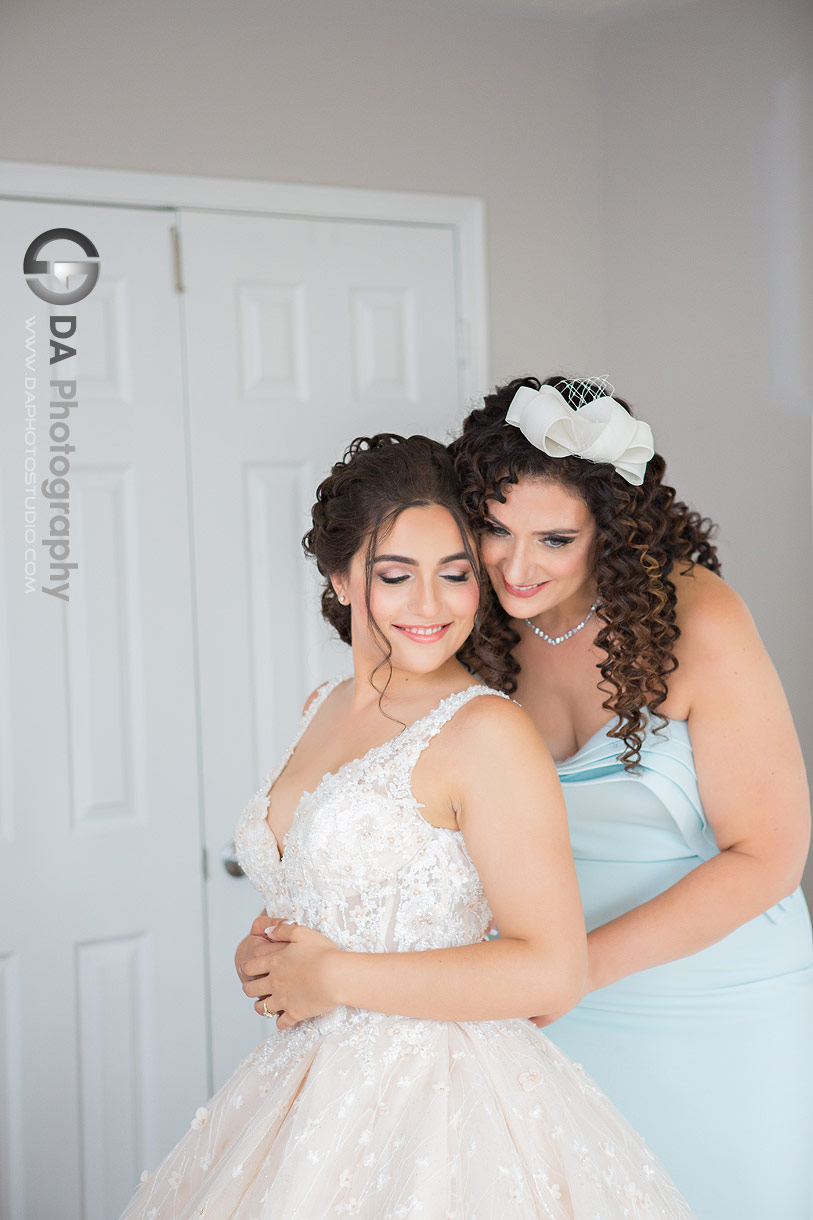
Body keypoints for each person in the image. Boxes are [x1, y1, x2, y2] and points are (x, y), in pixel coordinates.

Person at [123, 432, 696, 1219]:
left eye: (456, 575)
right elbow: (323, 897)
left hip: (441, 1099)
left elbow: (550, 970)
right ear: (340, 578)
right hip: (305, 1085)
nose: (429, 605)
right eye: (396, 576)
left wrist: (333, 977)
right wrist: (269, 953)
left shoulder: (485, 731)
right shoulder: (319, 706)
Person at [444, 375, 813, 1220]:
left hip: (717, 1005)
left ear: (608, 532)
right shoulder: (471, 625)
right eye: (494, 529)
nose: (515, 564)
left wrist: (575, 971)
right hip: (546, 1003)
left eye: (554, 539)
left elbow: (768, 856)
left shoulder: (696, 621)